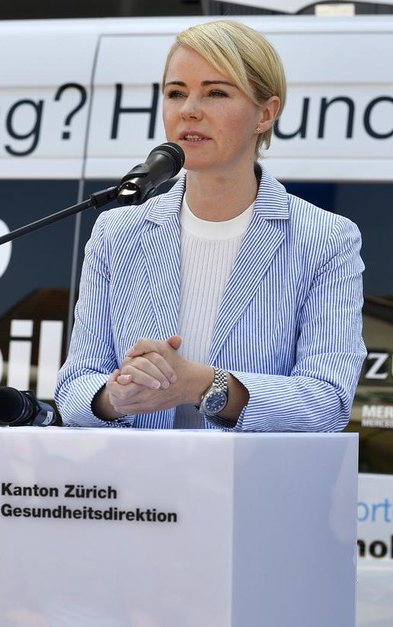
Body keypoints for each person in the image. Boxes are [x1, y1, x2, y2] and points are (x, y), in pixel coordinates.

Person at [55, 19, 365, 432]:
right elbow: (73, 389)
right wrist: (115, 396)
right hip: (135, 473)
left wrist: (204, 385)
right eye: (175, 93)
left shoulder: (324, 239)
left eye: (216, 92)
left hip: (251, 475)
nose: (189, 110)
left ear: (266, 113)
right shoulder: (116, 233)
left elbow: (328, 403)